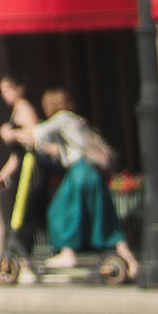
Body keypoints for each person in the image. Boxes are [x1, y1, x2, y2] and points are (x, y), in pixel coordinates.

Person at [31, 89, 135, 281]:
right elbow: (67, 148)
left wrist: (14, 132)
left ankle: (67, 252)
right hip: (93, 171)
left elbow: (37, 133)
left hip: (79, 171)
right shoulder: (76, 121)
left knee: (58, 209)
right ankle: (130, 260)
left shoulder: (61, 118)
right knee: (104, 213)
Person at [0, 75, 47, 265]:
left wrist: (11, 133)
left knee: (24, 215)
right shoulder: (15, 112)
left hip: (31, 170)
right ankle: (20, 259)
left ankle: (24, 260)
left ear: (18, 89)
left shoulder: (24, 108)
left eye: (7, 89)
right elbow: (16, 155)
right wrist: (2, 175)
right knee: (18, 215)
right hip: (22, 167)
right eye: (2, 90)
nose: (4, 94)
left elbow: (35, 136)